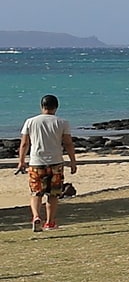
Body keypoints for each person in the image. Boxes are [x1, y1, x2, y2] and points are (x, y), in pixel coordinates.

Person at [16, 94, 78, 232]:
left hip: (36, 162)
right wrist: (73, 161)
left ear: (41, 106)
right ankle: (50, 222)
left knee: (36, 192)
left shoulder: (30, 121)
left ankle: (36, 216)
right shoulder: (62, 122)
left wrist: (21, 161)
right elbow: (68, 143)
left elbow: (25, 143)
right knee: (53, 194)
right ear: (56, 107)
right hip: (56, 163)